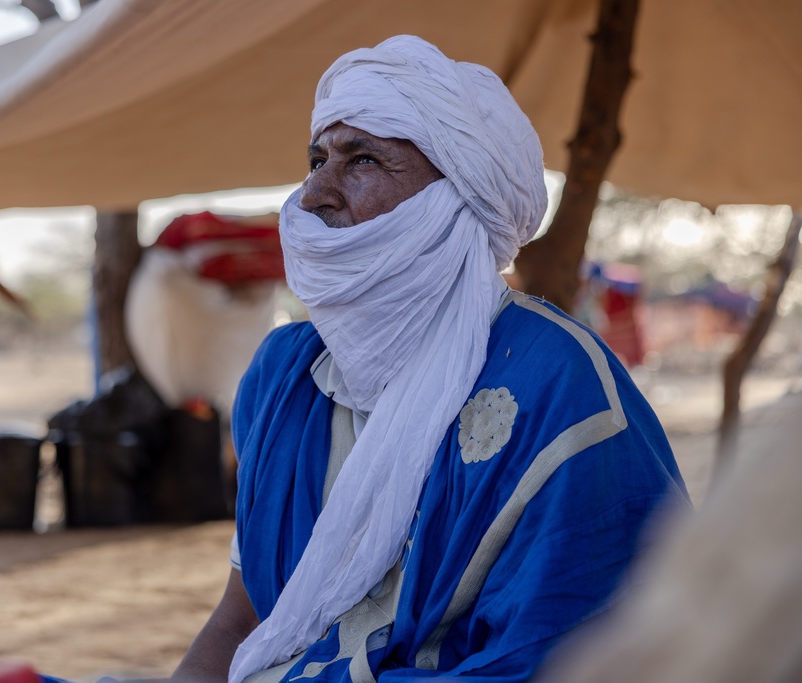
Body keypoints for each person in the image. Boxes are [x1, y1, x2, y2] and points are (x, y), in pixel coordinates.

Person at [171, 35, 689, 683]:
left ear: (454, 200)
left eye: (361, 159)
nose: (314, 194)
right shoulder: (284, 375)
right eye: (316, 158)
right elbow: (240, 621)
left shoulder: (556, 383)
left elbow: (585, 658)